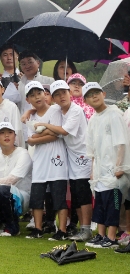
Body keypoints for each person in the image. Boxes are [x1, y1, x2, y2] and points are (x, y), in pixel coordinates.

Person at [34, 80, 93, 242]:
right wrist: (28, 112)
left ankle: (86, 229)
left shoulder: (76, 110)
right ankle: (83, 229)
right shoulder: (58, 110)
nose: (62, 97)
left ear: (69, 93)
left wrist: (45, 125)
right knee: (76, 195)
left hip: (84, 156)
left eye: (64, 93)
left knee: (83, 194)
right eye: (57, 95)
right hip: (71, 158)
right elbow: (41, 108)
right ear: (53, 98)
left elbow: (65, 131)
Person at [82, 82, 130, 249]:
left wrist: (119, 166)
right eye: (89, 95)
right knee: (100, 203)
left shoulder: (114, 114)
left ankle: (111, 237)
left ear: (103, 93)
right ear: (86, 101)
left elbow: (121, 142)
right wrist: (93, 170)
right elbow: (92, 149)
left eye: (96, 92)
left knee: (112, 204)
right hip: (100, 169)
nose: (94, 96)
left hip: (113, 169)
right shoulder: (93, 119)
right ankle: (100, 235)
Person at [24, 81, 69, 240]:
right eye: (32, 95)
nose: (37, 97)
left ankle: (62, 231)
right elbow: (28, 139)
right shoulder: (30, 116)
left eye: (39, 93)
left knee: (58, 197)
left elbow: (57, 134)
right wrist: (39, 136)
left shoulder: (55, 110)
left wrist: (37, 138)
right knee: (37, 197)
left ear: (45, 94)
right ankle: (38, 229)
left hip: (57, 160)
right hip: (40, 161)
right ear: (28, 99)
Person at [17, 50, 54, 143]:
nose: (27, 66)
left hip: (45, 127)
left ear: (38, 63)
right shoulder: (19, 85)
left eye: (30, 62)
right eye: (23, 64)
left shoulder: (49, 81)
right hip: (25, 127)